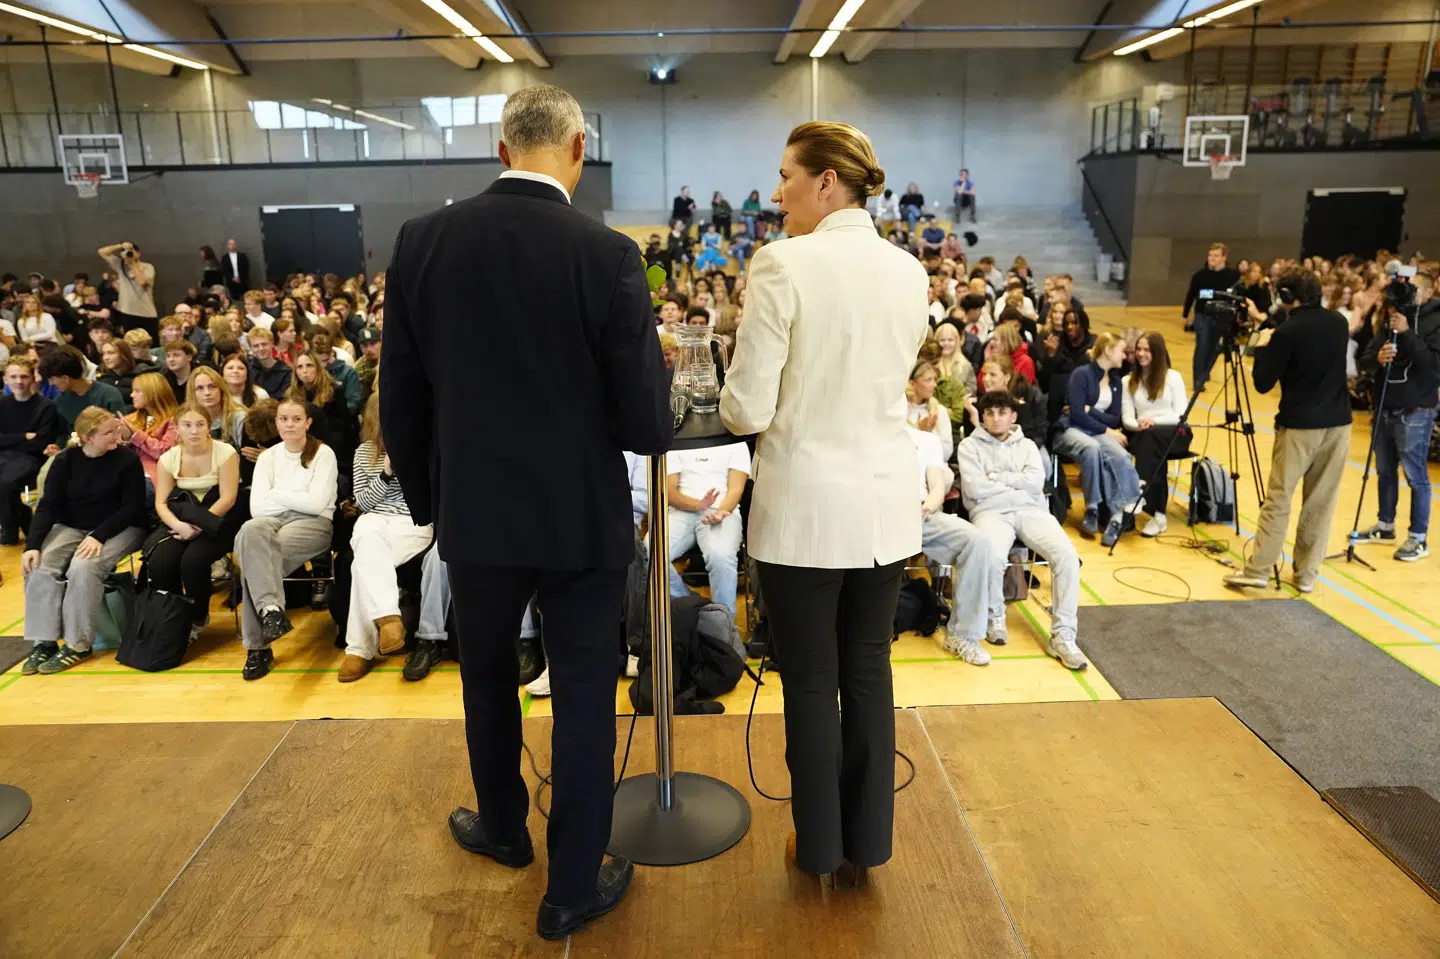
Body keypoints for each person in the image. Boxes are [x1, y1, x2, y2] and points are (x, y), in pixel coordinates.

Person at [380, 85, 670, 941]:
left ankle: (503, 829)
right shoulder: (607, 254)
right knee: (583, 695)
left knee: (485, 681)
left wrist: (434, 506)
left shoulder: (422, 242)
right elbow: (649, 421)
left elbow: (402, 397)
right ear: (578, 147)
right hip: (579, 517)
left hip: (476, 513)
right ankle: (571, 885)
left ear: (502, 151)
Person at [719, 121, 927, 886]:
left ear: (825, 183)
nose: (776, 194)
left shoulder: (783, 263)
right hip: (884, 508)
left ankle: (819, 847)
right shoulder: (911, 271)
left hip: (807, 510)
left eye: (785, 177)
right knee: (868, 671)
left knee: (809, 682)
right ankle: (867, 846)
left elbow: (745, 409)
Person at [1224, 270, 1350, 593]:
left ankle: (1258, 569)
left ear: (1287, 297)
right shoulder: (1339, 323)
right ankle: (1307, 574)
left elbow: (1263, 383)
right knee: (1321, 501)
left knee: (1279, 498)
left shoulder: (1286, 333)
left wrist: (1262, 345)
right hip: (1338, 424)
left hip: (1299, 426)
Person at [957, 391, 1087, 670]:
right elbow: (974, 489)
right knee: (990, 555)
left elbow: (1034, 482)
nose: (995, 418)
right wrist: (1013, 483)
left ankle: (1063, 636)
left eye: (1002, 412)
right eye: (989, 412)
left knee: (1067, 556)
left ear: (1013, 416)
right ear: (982, 416)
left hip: (1031, 510)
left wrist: (996, 478)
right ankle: (994, 616)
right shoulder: (969, 446)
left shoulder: (1027, 445)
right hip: (990, 512)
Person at [19, 408, 146, 675]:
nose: (117, 435)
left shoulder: (126, 459)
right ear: (87, 438)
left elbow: (132, 508)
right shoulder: (65, 461)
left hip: (120, 526)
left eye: (116, 428)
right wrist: (32, 544)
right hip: (73, 525)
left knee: (84, 566)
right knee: (39, 565)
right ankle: (44, 642)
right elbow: (48, 506)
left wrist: (98, 535)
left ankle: (78, 643)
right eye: (109, 432)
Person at [233, 398, 339, 679]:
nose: (289, 424)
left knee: (254, 562)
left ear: (308, 422)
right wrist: (297, 498)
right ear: (276, 422)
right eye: (283, 419)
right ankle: (271, 610)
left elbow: (316, 505)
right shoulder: (268, 457)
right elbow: (257, 509)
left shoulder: (323, 454)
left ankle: (257, 650)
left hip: (312, 524)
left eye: (295, 419)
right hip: (270, 523)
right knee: (249, 531)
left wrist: (277, 494)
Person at [340, 393, 435, 682]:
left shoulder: (424, 448)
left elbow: (425, 500)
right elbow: (364, 504)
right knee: (366, 528)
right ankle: (388, 620)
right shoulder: (363, 453)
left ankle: (359, 649)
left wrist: (407, 466)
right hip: (375, 522)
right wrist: (385, 473)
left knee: (362, 564)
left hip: (411, 522)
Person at [1355, 272, 1439, 562]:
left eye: (1413, 288)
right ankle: (1385, 525)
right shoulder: (1391, 316)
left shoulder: (1435, 320)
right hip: (1384, 405)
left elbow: (1431, 365)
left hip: (1415, 409)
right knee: (1385, 469)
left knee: (1416, 475)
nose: (1406, 292)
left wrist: (1407, 333)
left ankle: (1418, 537)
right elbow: (1364, 358)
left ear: (1428, 293)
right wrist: (1377, 358)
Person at [147, 403, 242, 640]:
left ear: (209, 427)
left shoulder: (226, 452)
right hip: (180, 521)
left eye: (200, 425)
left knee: (192, 561)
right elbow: (161, 503)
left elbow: (228, 498)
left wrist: (200, 526)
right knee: (161, 561)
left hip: (218, 519)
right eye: (187, 425)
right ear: (177, 429)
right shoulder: (168, 458)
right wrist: (179, 526)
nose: (194, 431)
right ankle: (176, 617)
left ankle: (198, 616)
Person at [912, 424, 1000, 665]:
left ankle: (962, 635)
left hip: (922, 513)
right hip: (876, 515)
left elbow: (938, 485)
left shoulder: (926, 440)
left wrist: (928, 506)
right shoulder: (868, 432)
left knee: (976, 541)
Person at [1052, 332, 1142, 547]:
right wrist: (1105, 428)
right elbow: (1075, 414)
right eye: (1121, 350)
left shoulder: (1117, 382)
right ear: (1109, 351)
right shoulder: (1081, 375)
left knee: (1120, 455)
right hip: (1071, 429)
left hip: (1096, 431)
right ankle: (1092, 507)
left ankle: (1116, 518)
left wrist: (1091, 410)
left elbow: (1114, 417)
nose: (1125, 356)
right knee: (1092, 448)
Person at [666, 441, 748, 615]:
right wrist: (698, 505)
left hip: (723, 510)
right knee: (649, 552)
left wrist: (721, 511)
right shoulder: (676, 436)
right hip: (681, 511)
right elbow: (669, 491)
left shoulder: (734, 440)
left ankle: (722, 624)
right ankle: (693, 609)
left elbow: (736, 489)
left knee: (721, 555)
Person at [1119, 332, 1189, 537]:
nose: (1140, 354)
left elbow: (1181, 415)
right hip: (1143, 435)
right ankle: (1158, 517)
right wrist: (1141, 425)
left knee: (1151, 440)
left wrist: (1153, 421)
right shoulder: (1128, 381)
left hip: (1175, 433)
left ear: (1157, 352)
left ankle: (1139, 490)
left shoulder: (1173, 377)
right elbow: (1127, 419)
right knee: (1150, 443)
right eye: (1138, 349)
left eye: (1146, 350)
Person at [0, 356, 60, 543]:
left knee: (6, 483)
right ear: (5, 379)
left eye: (24, 376)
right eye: (14, 376)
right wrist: (24, 436)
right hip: (4, 457)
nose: (19, 381)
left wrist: (10, 440)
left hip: (31, 459)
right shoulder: (2, 405)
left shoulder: (45, 407)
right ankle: (26, 522)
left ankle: (9, 532)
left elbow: (41, 442)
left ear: (33, 379)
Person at [1183, 242, 1242, 389]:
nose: (1212, 258)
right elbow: (1193, 294)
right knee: (1202, 344)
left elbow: (1235, 296)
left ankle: (1204, 373)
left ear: (1224, 257)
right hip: (1202, 314)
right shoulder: (1200, 275)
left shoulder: (1232, 276)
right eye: (1210, 255)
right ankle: (1198, 379)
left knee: (1213, 346)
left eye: (1216, 256)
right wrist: (1185, 314)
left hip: (1220, 317)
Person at [39, 346, 126, 435]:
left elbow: (120, 430)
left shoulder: (108, 394)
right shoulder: (60, 402)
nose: (51, 384)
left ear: (66, 378)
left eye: (53, 379)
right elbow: (62, 435)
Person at [117, 372, 179, 483]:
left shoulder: (174, 421)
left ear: (152, 393)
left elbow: (166, 453)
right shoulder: (131, 419)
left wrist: (136, 434)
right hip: (129, 474)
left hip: (155, 479)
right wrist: (125, 439)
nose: (131, 395)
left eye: (137, 391)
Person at [97, 242, 158, 337]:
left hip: (146, 312)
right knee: (130, 343)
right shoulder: (120, 265)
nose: (129, 253)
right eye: (126, 252)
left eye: (132, 251)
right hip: (127, 312)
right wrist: (121, 246)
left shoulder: (147, 267)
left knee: (151, 342)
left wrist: (133, 262)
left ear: (138, 253)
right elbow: (101, 252)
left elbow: (142, 282)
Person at [188, 365, 248, 448]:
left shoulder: (240, 417)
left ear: (221, 389)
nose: (207, 393)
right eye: (200, 388)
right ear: (193, 393)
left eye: (212, 387)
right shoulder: (187, 421)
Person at [906, 360, 954, 460]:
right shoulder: (901, 411)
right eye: (928, 380)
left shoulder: (939, 411)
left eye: (934, 380)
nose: (934, 385)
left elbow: (946, 453)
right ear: (912, 383)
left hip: (934, 467)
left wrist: (928, 434)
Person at [247, 328, 293, 397]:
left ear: (272, 344)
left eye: (264, 344)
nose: (261, 348)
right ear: (251, 348)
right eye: (256, 346)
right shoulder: (247, 369)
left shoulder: (286, 372)